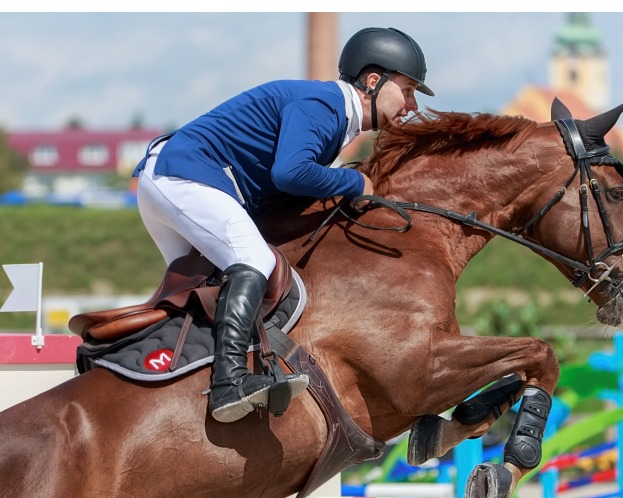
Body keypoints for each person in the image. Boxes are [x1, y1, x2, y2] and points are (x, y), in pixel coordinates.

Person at [133, 27, 434, 424]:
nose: (411, 104)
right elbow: (290, 173)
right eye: (408, 89)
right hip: (185, 176)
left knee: (203, 292)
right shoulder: (325, 104)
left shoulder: (331, 113)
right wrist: (354, 181)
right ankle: (229, 386)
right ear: (373, 81)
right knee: (255, 262)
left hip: (169, 178)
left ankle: (161, 376)